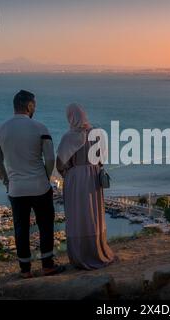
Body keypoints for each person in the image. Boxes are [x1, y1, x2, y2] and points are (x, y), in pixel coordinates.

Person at [0, 90, 65, 278]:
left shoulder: (0, 130)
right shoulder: (40, 128)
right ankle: (47, 265)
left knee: (20, 228)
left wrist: (6, 181)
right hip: (40, 186)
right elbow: (49, 159)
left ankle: (25, 270)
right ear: (29, 106)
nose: (36, 108)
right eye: (35, 105)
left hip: (16, 189)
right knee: (46, 226)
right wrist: (46, 177)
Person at [56, 103, 116, 270]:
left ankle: (81, 255)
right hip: (94, 177)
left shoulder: (69, 137)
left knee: (78, 215)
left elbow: (60, 163)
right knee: (94, 214)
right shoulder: (97, 133)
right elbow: (103, 158)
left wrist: (68, 172)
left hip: (76, 179)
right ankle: (98, 250)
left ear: (71, 117)